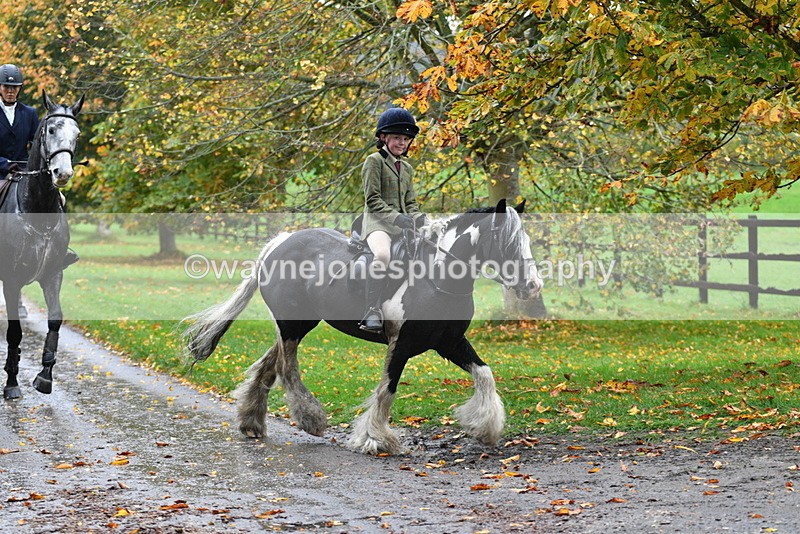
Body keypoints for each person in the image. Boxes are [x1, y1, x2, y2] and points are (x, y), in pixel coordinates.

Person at [358, 108, 427, 333]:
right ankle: (371, 310)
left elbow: (411, 203)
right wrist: (398, 218)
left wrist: (421, 219)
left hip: (403, 225)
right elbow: (373, 200)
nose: (402, 143)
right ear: (383, 138)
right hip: (379, 224)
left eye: (406, 139)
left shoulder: (406, 168)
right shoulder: (373, 161)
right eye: (397, 137)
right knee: (383, 255)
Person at [0, 64, 39, 179]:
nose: (10, 91)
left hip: (23, 172)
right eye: (6, 86)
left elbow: (37, 144)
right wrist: (6, 164)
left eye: (15, 87)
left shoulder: (29, 113)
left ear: (20, 88)